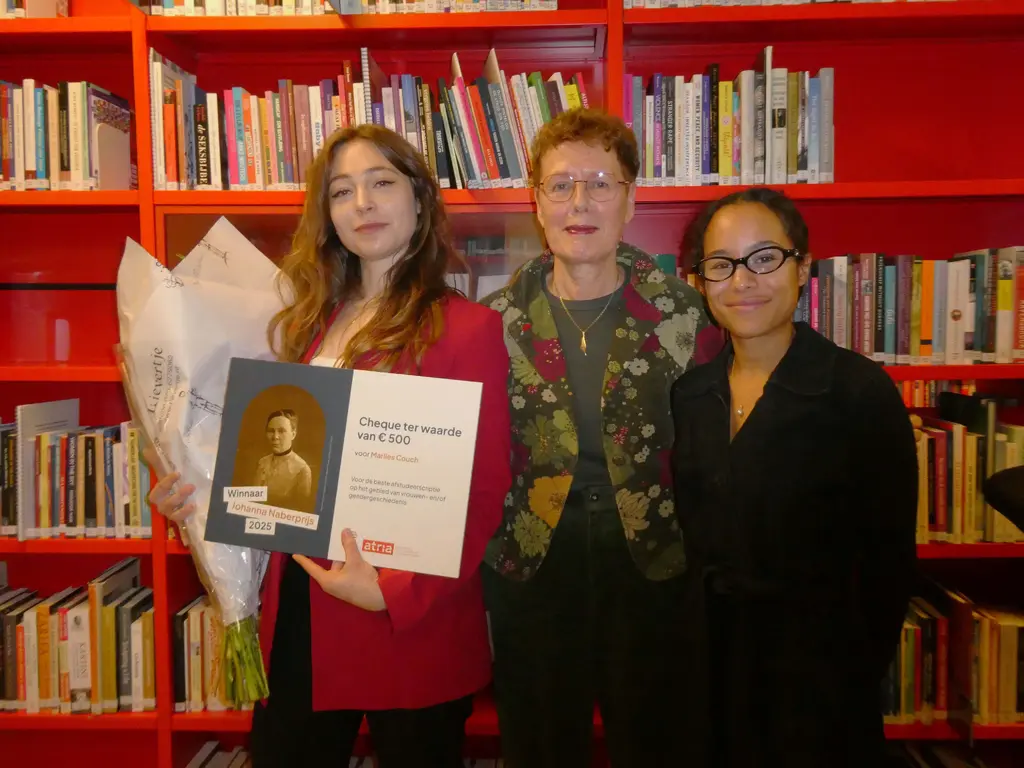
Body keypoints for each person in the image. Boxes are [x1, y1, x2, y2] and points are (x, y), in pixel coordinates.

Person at [147, 124, 511, 767]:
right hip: (300, 608)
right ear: (328, 215)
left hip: (404, 616)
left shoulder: (467, 329)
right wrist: (196, 492)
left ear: (420, 201)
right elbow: (273, 460)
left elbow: (481, 494)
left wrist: (396, 592)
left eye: (381, 183)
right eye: (342, 192)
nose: (362, 204)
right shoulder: (299, 325)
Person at [479, 108, 723, 767]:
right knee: (539, 746)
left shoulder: (687, 316)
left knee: (656, 743)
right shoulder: (490, 325)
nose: (579, 202)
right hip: (532, 573)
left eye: (600, 183)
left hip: (654, 568)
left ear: (631, 198)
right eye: (560, 185)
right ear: (536, 202)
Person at [668, 187, 919, 768]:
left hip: (817, 689)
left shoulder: (857, 393)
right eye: (721, 265)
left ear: (803, 267)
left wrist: (849, 680)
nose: (742, 281)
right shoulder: (692, 394)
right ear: (699, 281)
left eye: (764, 258)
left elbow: (888, 567)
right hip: (709, 676)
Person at [254, 409, 313, 512]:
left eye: (281, 431)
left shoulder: (302, 470)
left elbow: (301, 511)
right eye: (271, 431)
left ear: (293, 434)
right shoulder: (262, 462)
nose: (275, 437)